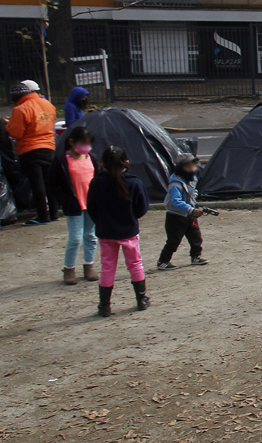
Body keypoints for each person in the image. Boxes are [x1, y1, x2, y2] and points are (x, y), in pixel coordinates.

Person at [86, 146, 150, 317]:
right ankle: (141, 300)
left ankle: (104, 306)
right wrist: (131, 217)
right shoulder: (135, 182)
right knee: (135, 264)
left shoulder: (97, 182)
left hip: (106, 232)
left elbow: (91, 207)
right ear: (126, 163)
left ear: (102, 164)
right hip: (128, 231)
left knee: (107, 267)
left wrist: (100, 221)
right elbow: (142, 208)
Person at [49, 126, 99, 285]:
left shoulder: (92, 158)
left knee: (91, 236)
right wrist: (65, 200)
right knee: (76, 238)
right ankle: (69, 268)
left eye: (88, 144)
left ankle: (89, 265)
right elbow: (51, 184)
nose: (86, 147)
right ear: (72, 142)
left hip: (91, 204)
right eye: (83, 143)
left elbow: (98, 180)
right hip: (74, 206)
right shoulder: (61, 161)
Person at [6, 81, 58, 225]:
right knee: (49, 182)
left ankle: (43, 216)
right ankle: (54, 213)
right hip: (48, 147)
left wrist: (7, 125)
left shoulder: (20, 109)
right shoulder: (48, 105)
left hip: (30, 149)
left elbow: (16, 132)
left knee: (37, 185)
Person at [157, 153, 209, 270]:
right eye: (188, 167)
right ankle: (163, 261)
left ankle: (196, 256)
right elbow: (176, 201)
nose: (192, 169)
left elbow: (193, 189)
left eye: (193, 166)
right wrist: (191, 209)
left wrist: (195, 193)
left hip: (189, 215)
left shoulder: (191, 179)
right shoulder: (175, 184)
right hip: (176, 216)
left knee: (196, 236)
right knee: (173, 240)